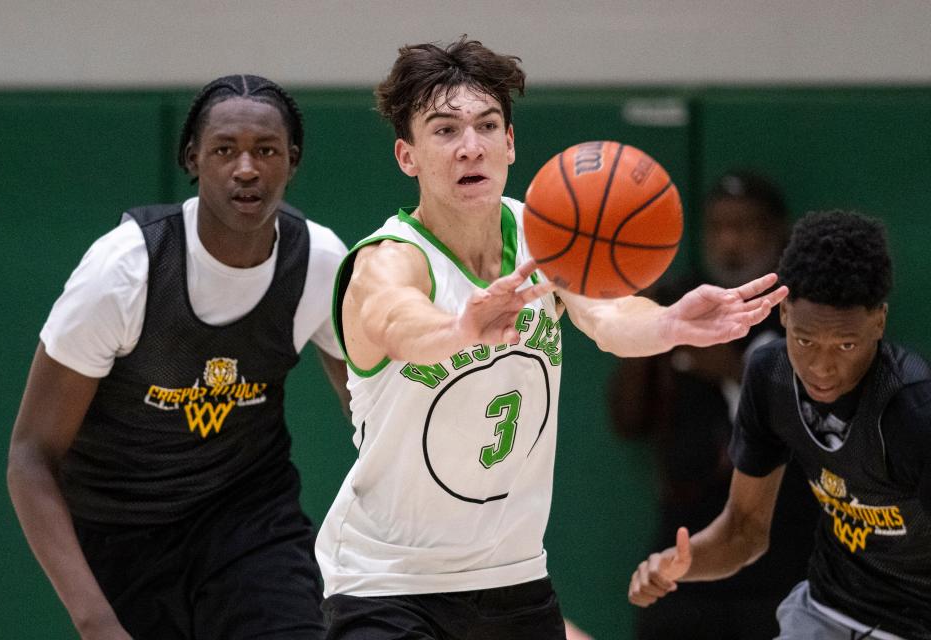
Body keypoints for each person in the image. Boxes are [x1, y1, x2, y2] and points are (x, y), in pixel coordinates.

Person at [314, 36, 787, 640]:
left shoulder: (544, 237)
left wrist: (670, 324)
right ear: (407, 156)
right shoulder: (389, 259)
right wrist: (460, 329)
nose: (470, 147)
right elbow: (395, 321)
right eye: (444, 131)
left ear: (510, 143)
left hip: (513, 579)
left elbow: (611, 320)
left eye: (487, 126)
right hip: (389, 583)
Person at [6, 74, 349, 639]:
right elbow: (30, 457)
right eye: (224, 150)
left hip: (250, 521)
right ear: (192, 158)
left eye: (265, 151)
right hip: (123, 531)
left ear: (292, 160)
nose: (246, 169)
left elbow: (370, 411)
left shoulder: (318, 261)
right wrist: (94, 622)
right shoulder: (123, 272)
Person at [628, 210, 931, 640]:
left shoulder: (913, 411)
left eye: (846, 344)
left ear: (879, 322)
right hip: (823, 613)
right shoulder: (771, 374)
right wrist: (680, 564)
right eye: (806, 340)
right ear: (785, 313)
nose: (822, 367)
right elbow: (744, 531)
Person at [611, 172, 818, 639]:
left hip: (783, 550)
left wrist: (734, 369)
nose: (730, 242)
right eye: (718, 228)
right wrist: (643, 322)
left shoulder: (810, 314)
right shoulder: (679, 306)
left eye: (745, 227)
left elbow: (829, 419)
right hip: (686, 546)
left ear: (778, 233)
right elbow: (626, 419)